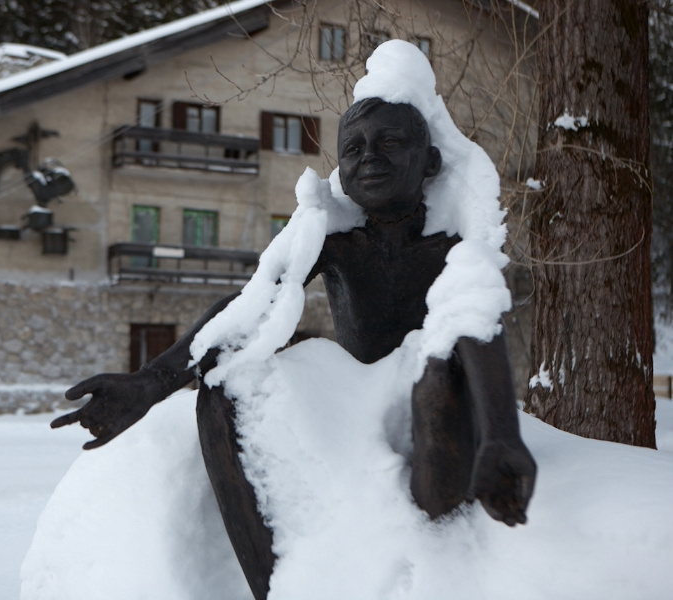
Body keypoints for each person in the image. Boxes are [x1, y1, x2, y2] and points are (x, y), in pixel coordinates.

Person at [51, 96, 536, 600]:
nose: (369, 157)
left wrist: (501, 434)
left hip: (428, 411)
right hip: (350, 403)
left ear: (429, 161)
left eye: (390, 142)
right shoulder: (337, 240)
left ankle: (434, 566)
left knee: (442, 367)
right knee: (226, 372)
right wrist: (149, 383)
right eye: (353, 148)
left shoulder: (452, 246)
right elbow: (253, 302)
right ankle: (275, 582)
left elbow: (478, 322)